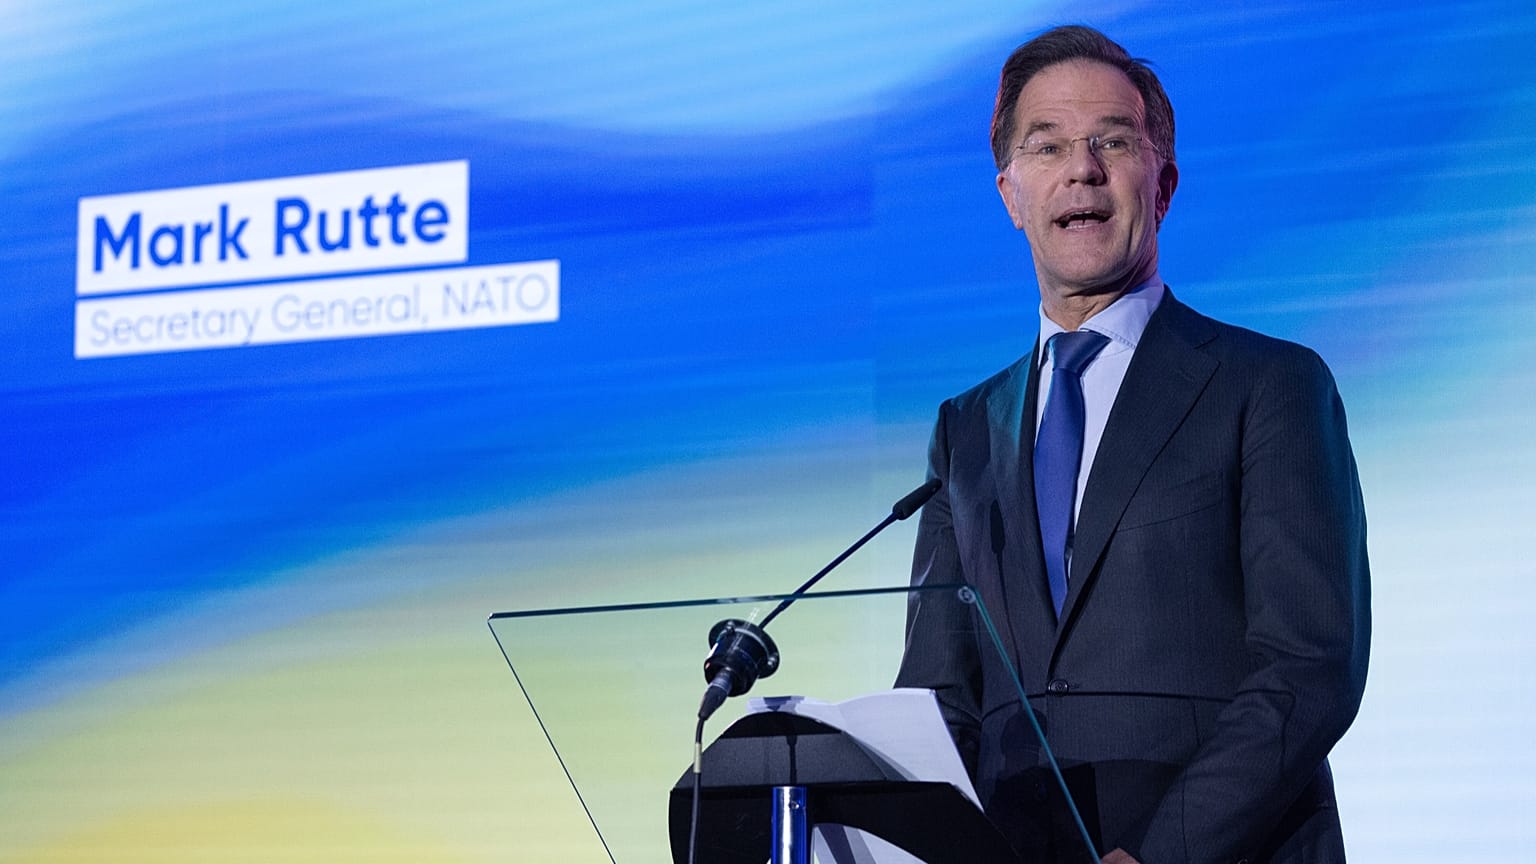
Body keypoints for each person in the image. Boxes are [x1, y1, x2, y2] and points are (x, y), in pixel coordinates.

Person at [893, 25, 1370, 864]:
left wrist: (1162, 855)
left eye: (1111, 141)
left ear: (1165, 183)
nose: (1081, 168)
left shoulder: (1269, 384)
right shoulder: (962, 430)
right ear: (1009, 193)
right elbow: (941, 699)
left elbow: (1309, 665)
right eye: (1047, 147)